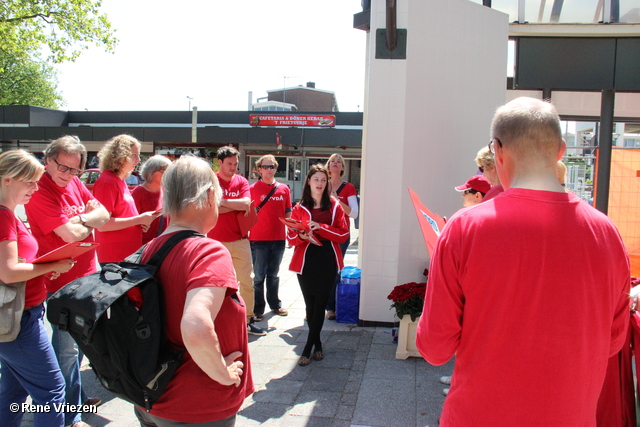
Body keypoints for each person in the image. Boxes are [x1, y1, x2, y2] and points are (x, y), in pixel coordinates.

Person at [416, 97, 630, 426]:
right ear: (560, 149)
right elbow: (613, 342)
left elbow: (434, 347)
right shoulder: (607, 234)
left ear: (497, 151)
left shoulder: (465, 228)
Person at [134, 155, 253, 426]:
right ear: (210, 196)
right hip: (196, 405)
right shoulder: (208, 251)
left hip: (151, 397)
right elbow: (195, 325)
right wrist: (224, 374)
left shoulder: (147, 250)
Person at [26, 136, 109, 427]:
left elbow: (104, 214)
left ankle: (74, 397)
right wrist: (88, 221)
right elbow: (68, 234)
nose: (69, 176)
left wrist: (83, 222)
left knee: (79, 345)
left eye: (75, 171)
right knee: (66, 350)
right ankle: (66, 415)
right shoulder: (39, 190)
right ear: (47, 160)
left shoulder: (73, 182)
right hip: (59, 281)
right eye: (63, 168)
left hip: (86, 273)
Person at [0, 149, 76, 427]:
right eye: (30, 181)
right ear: (9, 179)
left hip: (17, 317)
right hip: (20, 320)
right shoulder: (4, 217)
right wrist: (48, 267)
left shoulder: (7, 214)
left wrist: (41, 267)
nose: (36, 187)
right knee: (52, 391)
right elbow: (8, 272)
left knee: (14, 391)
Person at [288, 164, 349, 366]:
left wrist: (321, 227)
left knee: (320, 305)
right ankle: (318, 344)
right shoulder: (298, 207)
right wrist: (302, 235)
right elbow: (290, 237)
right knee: (310, 306)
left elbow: (343, 234)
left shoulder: (335, 205)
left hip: (327, 260)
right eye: (316, 179)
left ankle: (306, 349)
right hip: (305, 262)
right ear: (308, 181)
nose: (320, 183)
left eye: (323, 180)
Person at [207, 145, 265, 336]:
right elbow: (210, 206)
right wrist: (235, 205)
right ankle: (218, 320)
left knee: (247, 282)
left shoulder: (240, 181)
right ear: (220, 162)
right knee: (217, 283)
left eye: (236, 164)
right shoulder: (211, 180)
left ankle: (248, 320)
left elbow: (246, 203)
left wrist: (222, 202)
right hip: (215, 242)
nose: (233, 167)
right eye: (229, 163)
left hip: (240, 240)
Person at [93, 134, 160, 263]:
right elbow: (103, 224)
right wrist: (138, 219)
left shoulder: (119, 181)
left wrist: (139, 223)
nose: (138, 159)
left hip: (125, 255)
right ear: (120, 156)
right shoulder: (108, 182)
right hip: (114, 257)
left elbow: (123, 217)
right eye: (134, 155)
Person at [249, 155, 291, 320]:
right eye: (265, 167)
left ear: (275, 168)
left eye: (272, 166)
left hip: (279, 239)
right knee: (259, 276)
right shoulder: (252, 189)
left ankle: (275, 304)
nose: (269, 170)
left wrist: (292, 230)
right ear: (259, 169)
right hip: (258, 239)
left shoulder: (284, 189)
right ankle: (258, 308)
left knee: (273, 274)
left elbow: (288, 211)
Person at [325, 153, 358, 320]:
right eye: (332, 161)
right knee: (321, 269)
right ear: (328, 166)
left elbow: (354, 213)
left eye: (339, 162)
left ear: (343, 167)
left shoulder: (349, 187)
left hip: (341, 234)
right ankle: (322, 304)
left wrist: (337, 201)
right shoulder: (321, 183)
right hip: (322, 232)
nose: (335, 163)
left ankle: (332, 307)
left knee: (335, 269)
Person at [131, 155, 172, 244]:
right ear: (151, 173)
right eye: (164, 171)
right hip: (143, 247)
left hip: (162, 245)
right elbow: (131, 222)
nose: (168, 175)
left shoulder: (165, 191)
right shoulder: (139, 193)